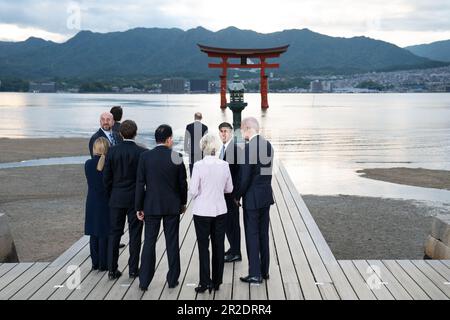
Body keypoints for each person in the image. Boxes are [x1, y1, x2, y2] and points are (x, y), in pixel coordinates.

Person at [135, 124, 188, 291]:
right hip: (172, 206)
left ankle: (144, 281)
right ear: (169, 139)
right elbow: (182, 184)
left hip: (151, 206)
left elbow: (140, 184)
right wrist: (183, 203)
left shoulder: (145, 157)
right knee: (172, 243)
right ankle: (172, 279)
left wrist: (139, 206)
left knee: (149, 242)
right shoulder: (177, 156)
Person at [103, 120, 147, 280]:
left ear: (120, 133)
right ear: (136, 133)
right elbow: (145, 179)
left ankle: (112, 270)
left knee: (114, 234)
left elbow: (106, 178)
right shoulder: (142, 152)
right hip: (136, 199)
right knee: (135, 235)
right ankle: (134, 269)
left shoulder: (112, 152)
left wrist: (111, 195)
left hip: (116, 197)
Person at [189, 134, 233, 293]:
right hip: (220, 210)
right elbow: (229, 189)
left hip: (202, 211)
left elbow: (193, 191)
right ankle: (217, 282)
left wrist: (200, 191)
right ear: (216, 147)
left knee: (203, 247)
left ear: (203, 147)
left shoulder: (198, 166)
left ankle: (204, 282)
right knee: (218, 245)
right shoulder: (224, 165)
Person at [235, 117, 274, 284]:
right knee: (263, 234)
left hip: (252, 199)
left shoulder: (249, 148)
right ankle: (264, 271)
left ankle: (255, 274)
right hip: (265, 195)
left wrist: (237, 195)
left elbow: (244, 178)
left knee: (252, 235)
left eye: (242, 129)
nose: (242, 133)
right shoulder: (268, 145)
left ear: (247, 128)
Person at [84, 137, 111, 272]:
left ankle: (95, 262)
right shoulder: (109, 164)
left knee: (93, 232)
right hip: (105, 201)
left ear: (94, 149)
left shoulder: (88, 164)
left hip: (92, 201)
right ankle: (104, 263)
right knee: (104, 233)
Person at [218, 122, 242, 263]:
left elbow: (239, 175)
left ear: (231, 132)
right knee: (227, 223)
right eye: (221, 131)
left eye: (226, 131)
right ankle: (233, 248)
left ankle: (236, 252)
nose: (223, 134)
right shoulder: (223, 149)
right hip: (223, 194)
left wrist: (236, 195)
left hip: (232, 195)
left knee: (233, 224)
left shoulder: (236, 149)